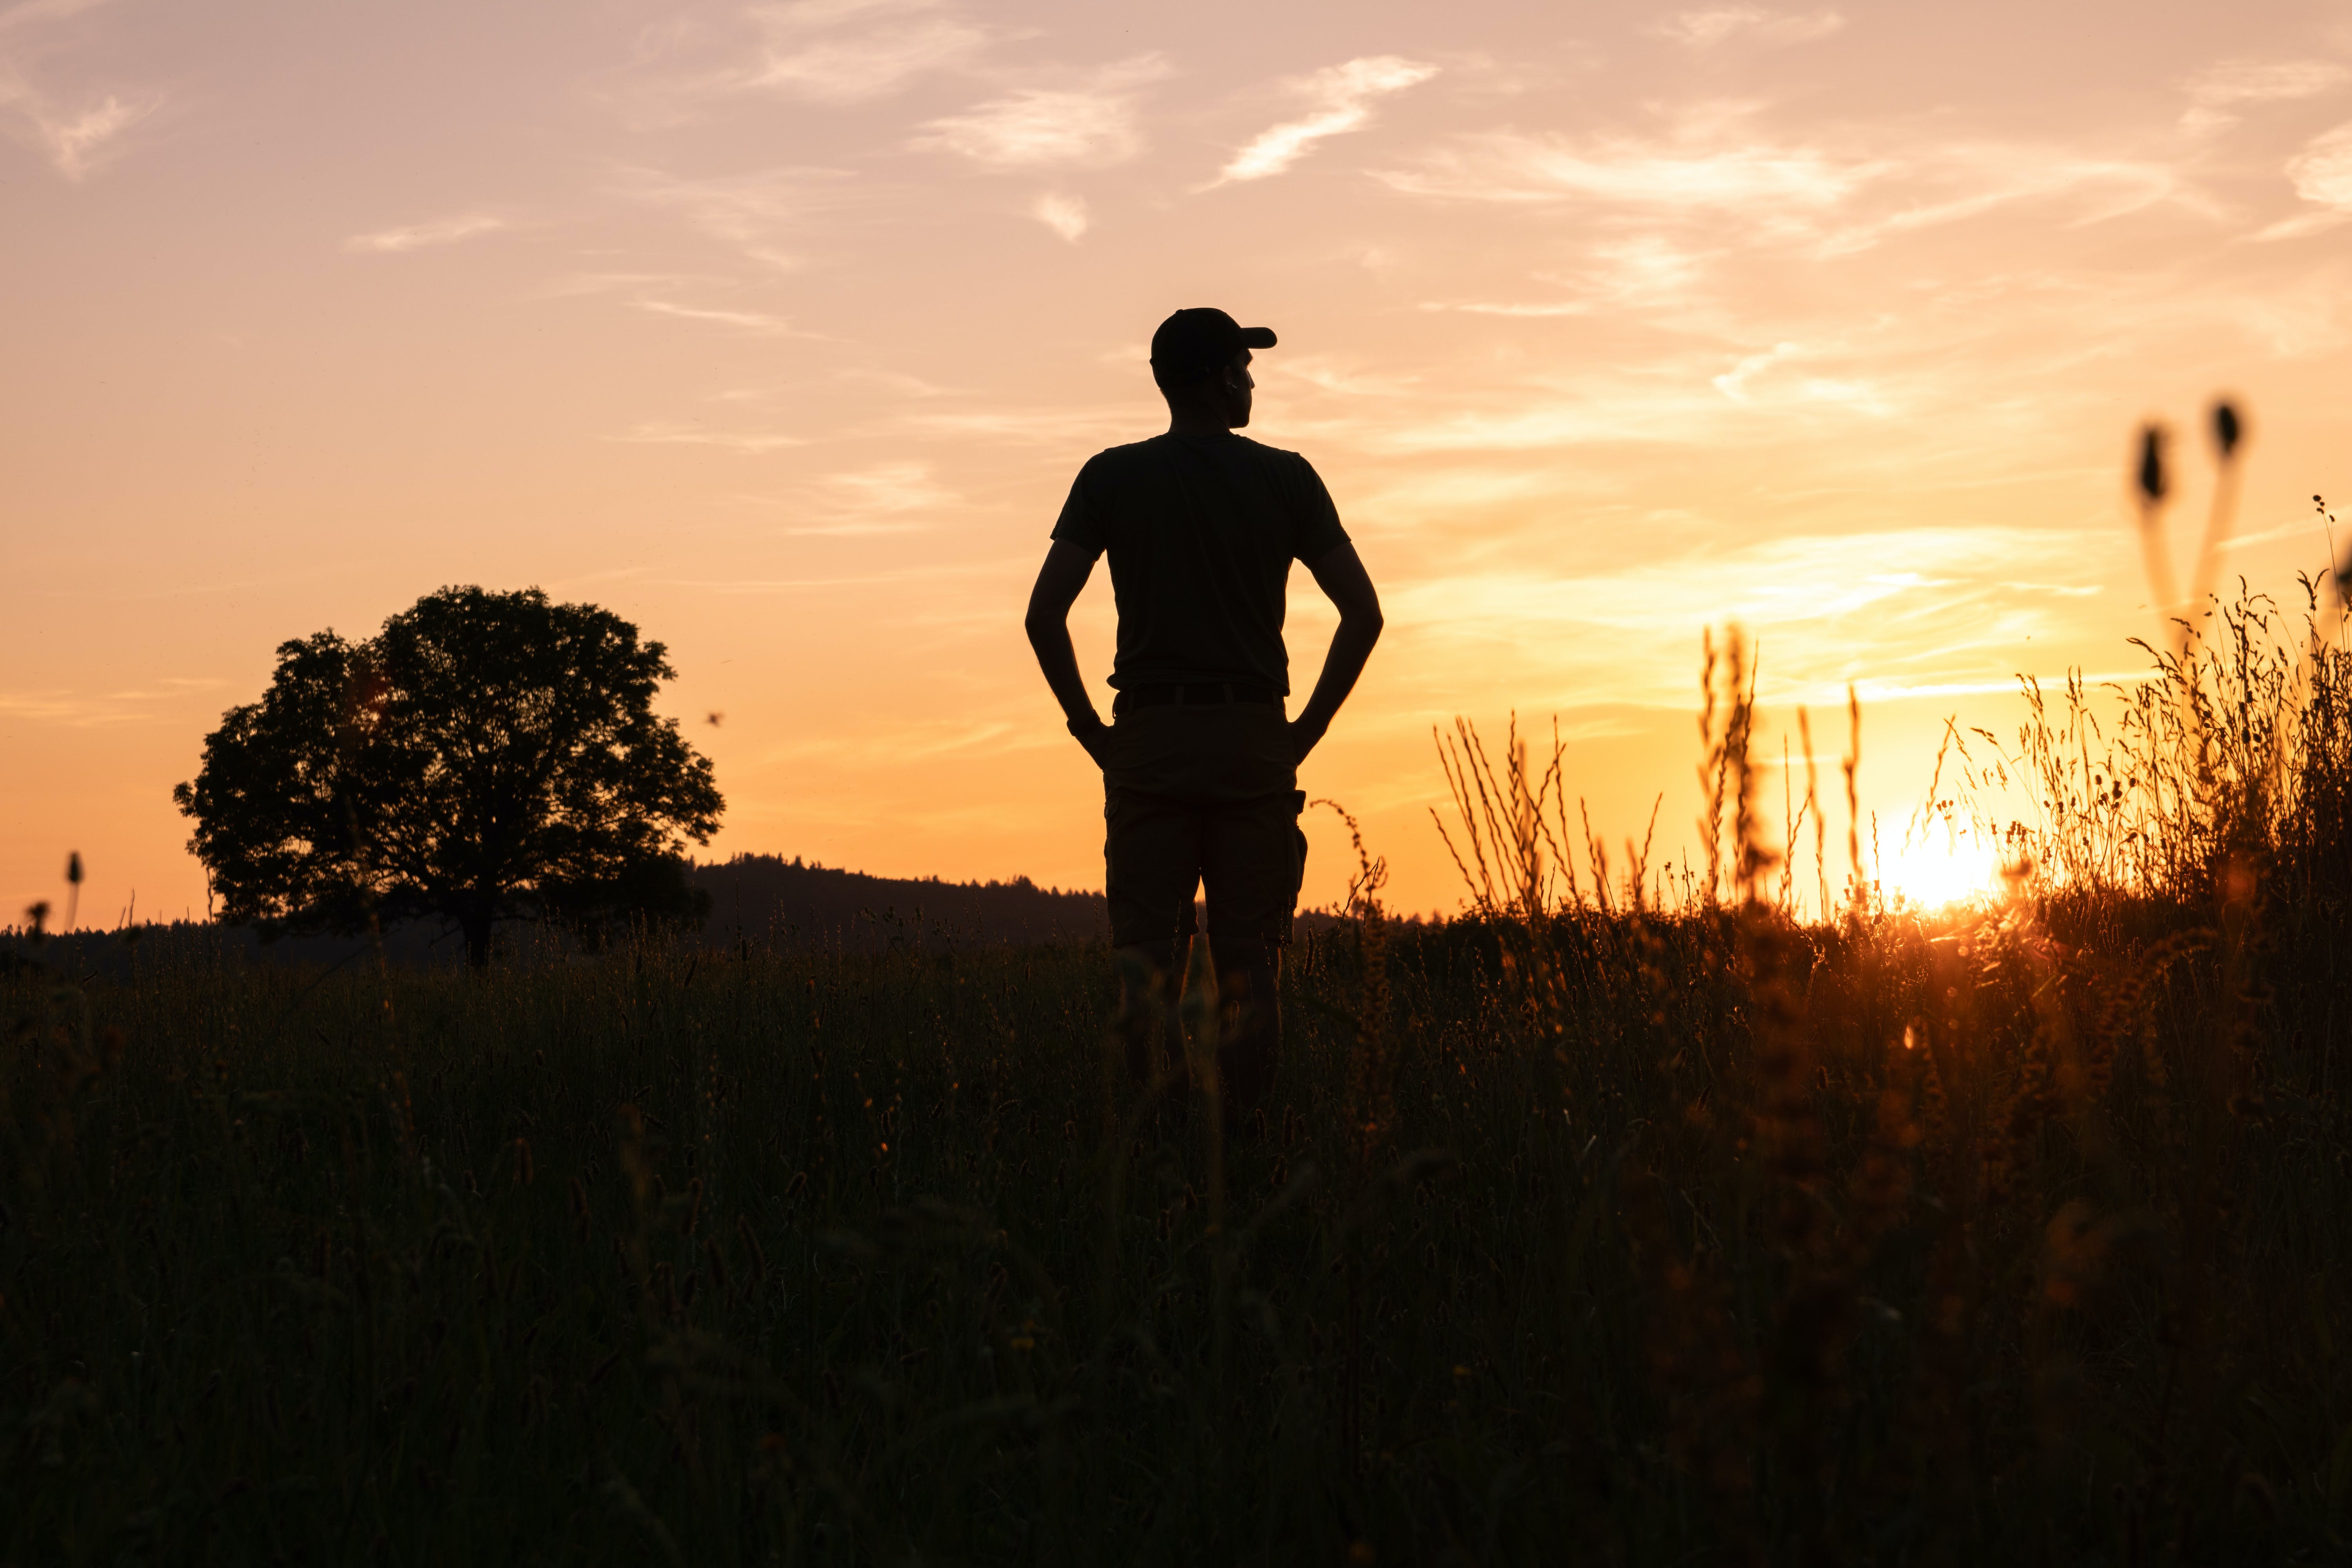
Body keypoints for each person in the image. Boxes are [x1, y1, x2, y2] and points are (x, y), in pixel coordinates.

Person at [1024, 307, 1384, 1119]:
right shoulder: (1288, 478)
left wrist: (1093, 733)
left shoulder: (1109, 476)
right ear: (1223, 378)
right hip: (1255, 741)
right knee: (1251, 963)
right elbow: (1362, 613)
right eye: (1246, 368)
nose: (1252, 380)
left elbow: (1044, 616)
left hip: (1147, 740)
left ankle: (1148, 1155)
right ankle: (1244, 1151)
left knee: (1144, 963)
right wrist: (1305, 732)